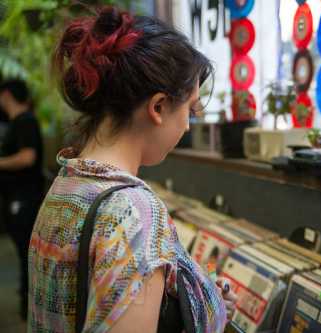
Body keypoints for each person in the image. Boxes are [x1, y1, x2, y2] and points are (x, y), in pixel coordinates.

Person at [28, 6, 236, 333]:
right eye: (190, 109)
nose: (186, 127)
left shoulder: (67, 184)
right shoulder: (135, 213)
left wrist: (195, 299)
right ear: (158, 107)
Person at [0, 79, 44, 321]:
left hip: (24, 200)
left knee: (27, 253)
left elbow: (28, 157)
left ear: (6, 94)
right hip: (15, 199)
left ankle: (29, 303)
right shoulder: (17, 122)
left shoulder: (25, 121)